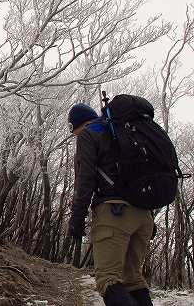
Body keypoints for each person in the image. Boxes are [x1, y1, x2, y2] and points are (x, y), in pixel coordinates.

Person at [67, 103, 154, 306]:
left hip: (114, 214)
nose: (75, 136)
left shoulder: (89, 134)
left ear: (79, 124)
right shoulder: (125, 133)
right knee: (132, 278)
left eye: (74, 131)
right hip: (144, 215)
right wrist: (148, 213)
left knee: (108, 280)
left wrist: (77, 219)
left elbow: (85, 181)